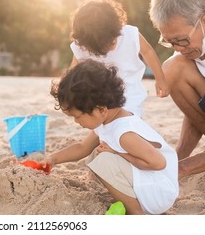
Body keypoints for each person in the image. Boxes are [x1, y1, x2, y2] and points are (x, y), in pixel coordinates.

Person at [47, 59, 179, 215]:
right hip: (147, 182)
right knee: (98, 153)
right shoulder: (108, 120)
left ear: (101, 110)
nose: (76, 122)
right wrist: (52, 159)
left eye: (78, 116)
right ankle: (127, 199)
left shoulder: (125, 133)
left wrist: (117, 153)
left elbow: (158, 163)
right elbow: (83, 148)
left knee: (104, 160)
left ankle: (137, 213)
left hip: (158, 192)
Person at [70, 0, 169, 118]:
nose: (111, 47)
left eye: (112, 40)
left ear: (117, 27)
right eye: (103, 46)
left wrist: (160, 79)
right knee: (101, 125)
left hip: (130, 95)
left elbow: (148, 52)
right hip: (97, 97)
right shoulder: (82, 46)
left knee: (125, 120)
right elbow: (73, 71)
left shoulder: (129, 34)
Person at [149, 0, 205, 180]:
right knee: (172, 67)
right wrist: (176, 158)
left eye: (182, 40)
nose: (179, 48)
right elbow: (196, 109)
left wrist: (180, 170)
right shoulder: (184, 59)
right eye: (170, 42)